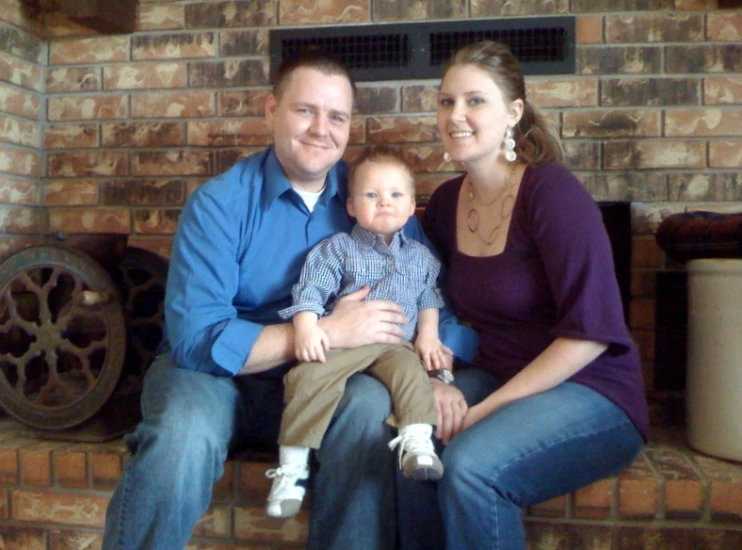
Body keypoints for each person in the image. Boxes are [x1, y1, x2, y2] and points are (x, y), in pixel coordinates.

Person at [101, 50, 476, 550]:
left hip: (334, 375)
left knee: (369, 412)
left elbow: (428, 292)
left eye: (336, 116)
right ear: (270, 111)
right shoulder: (219, 205)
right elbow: (196, 340)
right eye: (305, 110)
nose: (321, 129)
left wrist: (436, 374)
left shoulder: (372, 195)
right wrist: (324, 333)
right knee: (181, 437)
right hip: (214, 380)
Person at [397, 40, 650, 550]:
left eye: (475, 100)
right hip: (494, 374)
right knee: (408, 445)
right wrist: (439, 381)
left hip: (591, 390)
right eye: (446, 102)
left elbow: (590, 334)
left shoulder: (550, 192)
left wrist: (481, 414)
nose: (456, 115)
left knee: (470, 467)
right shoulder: (445, 203)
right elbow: (430, 302)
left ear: (513, 112)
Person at [266, 146, 451, 519]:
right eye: (371, 195)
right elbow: (311, 292)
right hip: (348, 343)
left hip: (395, 344)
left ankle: (417, 441)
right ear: (350, 206)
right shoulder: (338, 249)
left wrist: (428, 336)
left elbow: (429, 297)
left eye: (395, 195)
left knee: (412, 375)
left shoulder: (421, 257)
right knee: (310, 376)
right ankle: (292, 466)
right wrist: (307, 328)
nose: (384, 203)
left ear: (412, 205)